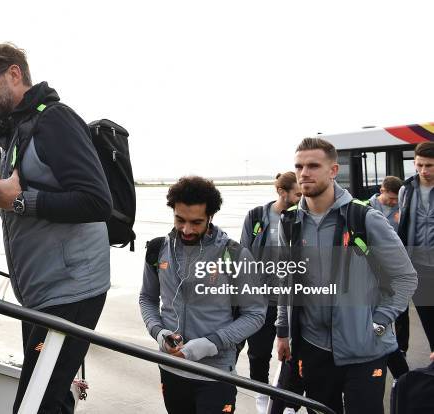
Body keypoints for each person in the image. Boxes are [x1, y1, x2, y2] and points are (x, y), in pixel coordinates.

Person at [0, 43, 112, 414]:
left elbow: (96, 202)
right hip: (41, 293)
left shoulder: (54, 120)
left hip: (70, 293)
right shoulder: (17, 131)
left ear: (14, 73)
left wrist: (16, 201)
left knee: (34, 406)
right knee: (53, 399)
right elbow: (28, 210)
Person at [276, 137, 417, 414]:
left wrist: (378, 323)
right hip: (313, 349)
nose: (304, 173)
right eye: (299, 166)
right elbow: (286, 280)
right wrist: (283, 331)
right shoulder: (289, 222)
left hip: (364, 350)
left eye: (313, 165)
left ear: (333, 170)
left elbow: (406, 277)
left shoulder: (365, 219)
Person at [139, 176, 267, 414]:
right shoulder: (158, 249)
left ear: (211, 217)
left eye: (196, 222)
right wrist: (159, 333)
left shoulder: (235, 254)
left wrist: (211, 343)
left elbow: (255, 314)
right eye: (180, 219)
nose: (186, 229)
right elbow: (147, 298)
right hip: (170, 367)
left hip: (215, 375)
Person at [239, 172, 301, 414]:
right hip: (260, 301)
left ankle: (291, 406)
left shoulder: (302, 217)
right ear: (282, 192)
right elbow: (243, 256)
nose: (301, 197)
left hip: (291, 301)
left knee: (294, 357)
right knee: (258, 353)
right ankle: (262, 395)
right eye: (297, 193)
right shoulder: (256, 216)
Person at [367, 175, 410, 378]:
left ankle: (401, 349)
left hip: (394, 269)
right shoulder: (365, 208)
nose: (394, 202)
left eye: (396, 199)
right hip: (372, 271)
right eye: (391, 198)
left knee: (401, 311)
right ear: (381, 190)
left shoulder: (403, 209)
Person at [398, 141, 434, 353]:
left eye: (429, 165)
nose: (423, 170)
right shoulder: (406, 189)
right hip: (417, 266)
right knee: (428, 319)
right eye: (419, 165)